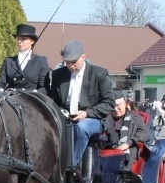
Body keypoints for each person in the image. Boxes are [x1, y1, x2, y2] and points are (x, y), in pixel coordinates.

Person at [49, 39, 116, 168]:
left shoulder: (99, 74)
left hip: (93, 119)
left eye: (74, 62)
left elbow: (109, 103)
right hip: (65, 117)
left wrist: (87, 113)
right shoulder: (58, 74)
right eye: (67, 63)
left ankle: (70, 166)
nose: (70, 66)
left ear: (83, 57)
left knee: (82, 127)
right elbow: (53, 100)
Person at [0, 23, 51, 94]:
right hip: (11, 98)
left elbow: (44, 87)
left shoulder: (41, 61)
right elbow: (0, 84)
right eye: (18, 38)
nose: (19, 41)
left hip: (31, 98)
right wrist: (0, 91)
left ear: (32, 41)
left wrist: (35, 94)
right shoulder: (8, 61)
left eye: (23, 39)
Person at [101, 90, 151, 170]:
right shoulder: (105, 120)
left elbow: (146, 133)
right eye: (112, 106)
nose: (115, 109)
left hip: (129, 150)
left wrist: (129, 143)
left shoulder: (136, 119)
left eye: (118, 105)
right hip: (108, 150)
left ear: (124, 103)